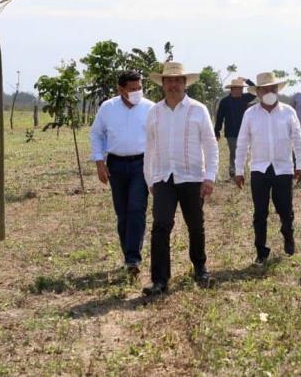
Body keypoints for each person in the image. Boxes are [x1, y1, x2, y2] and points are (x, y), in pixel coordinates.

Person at [142, 62, 219, 295]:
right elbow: (150, 147)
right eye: (169, 80)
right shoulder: (154, 112)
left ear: (185, 83)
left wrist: (209, 177)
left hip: (192, 176)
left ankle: (200, 267)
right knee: (160, 226)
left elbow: (210, 143)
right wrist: (150, 180)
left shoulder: (198, 109)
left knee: (195, 224)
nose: (173, 84)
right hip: (164, 177)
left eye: (178, 80)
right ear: (163, 84)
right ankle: (160, 280)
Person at [234, 72, 301, 265]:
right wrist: (239, 170)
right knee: (260, 213)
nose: (269, 92)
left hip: (283, 168)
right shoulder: (250, 114)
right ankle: (261, 251)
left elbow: (298, 140)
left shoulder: (288, 112)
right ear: (258, 92)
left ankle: (288, 234)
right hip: (259, 169)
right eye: (265, 89)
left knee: (285, 209)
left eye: (272, 88)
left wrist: (300, 165)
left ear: (277, 90)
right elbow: (242, 143)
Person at [90, 70, 154, 280]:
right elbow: (97, 134)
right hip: (116, 164)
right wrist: (100, 162)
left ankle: (133, 258)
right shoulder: (108, 108)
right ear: (121, 90)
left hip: (141, 164)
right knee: (123, 213)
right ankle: (129, 253)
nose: (137, 92)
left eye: (139, 88)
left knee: (137, 208)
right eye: (132, 89)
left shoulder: (150, 108)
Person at [214, 77, 256, 179]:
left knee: (243, 150)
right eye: (239, 88)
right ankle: (233, 170)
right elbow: (220, 117)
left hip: (245, 131)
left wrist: (247, 80)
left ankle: (240, 170)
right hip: (231, 132)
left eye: (242, 88)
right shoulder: (225, 102)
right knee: (234, 151)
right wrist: (217, 131)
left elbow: (255, 90)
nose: (241, 90)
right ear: (232, 89)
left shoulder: (245, 98)